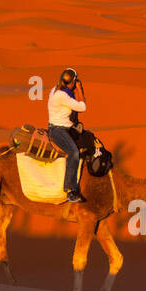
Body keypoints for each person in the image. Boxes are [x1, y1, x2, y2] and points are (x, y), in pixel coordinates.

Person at [47, 68, 88, 202]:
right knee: (74, 152)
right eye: (75, 81)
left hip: (65, 127)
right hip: (58, 130)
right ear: (72, 82)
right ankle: (71, 190)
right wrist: (80, 90)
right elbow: (83, 107)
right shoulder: (62, 96)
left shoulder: (56, 89)